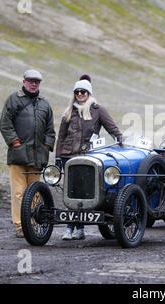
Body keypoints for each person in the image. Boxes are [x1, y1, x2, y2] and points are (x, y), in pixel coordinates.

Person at [56, 74, 122, 240]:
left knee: (83, 193)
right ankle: (73, 229)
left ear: (89, 93)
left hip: (87, 157)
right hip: (68, 156)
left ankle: (76, 229)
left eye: (83, 92)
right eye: (77, 92)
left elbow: (112, 128)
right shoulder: (68, 112)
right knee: (70, 192)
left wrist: (120, 139)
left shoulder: (98, 110)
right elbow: (61, 137)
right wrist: (57, 157)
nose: (80, 95)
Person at [0, 69, 56, 238]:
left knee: (35, 193)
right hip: (18, 156)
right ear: (24, 82)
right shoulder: (13, 99)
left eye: (36, 82)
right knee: (19, 192)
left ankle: (30, 224)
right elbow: (5, 124)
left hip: (37, 157)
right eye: (30, 81)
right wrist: (15, 143)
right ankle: (20, 226)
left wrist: (46, 147)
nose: (33, 84)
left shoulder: (45, 104)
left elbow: (50, 131)